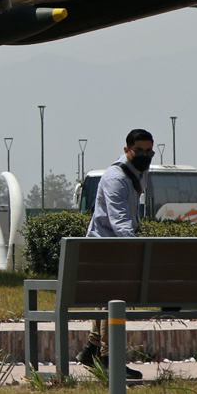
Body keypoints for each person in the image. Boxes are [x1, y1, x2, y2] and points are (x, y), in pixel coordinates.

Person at [76, 128, 155, 376]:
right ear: (126, 150)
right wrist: (134, 250)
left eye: (148, 151)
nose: (145, 155)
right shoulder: (115, 178)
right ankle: (109, 359)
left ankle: (92, 348)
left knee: (107, 297)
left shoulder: (139, 171)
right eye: (139, 151)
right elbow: (119, 220)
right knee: (114, 299)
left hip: (114, 246)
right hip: (105, 246)